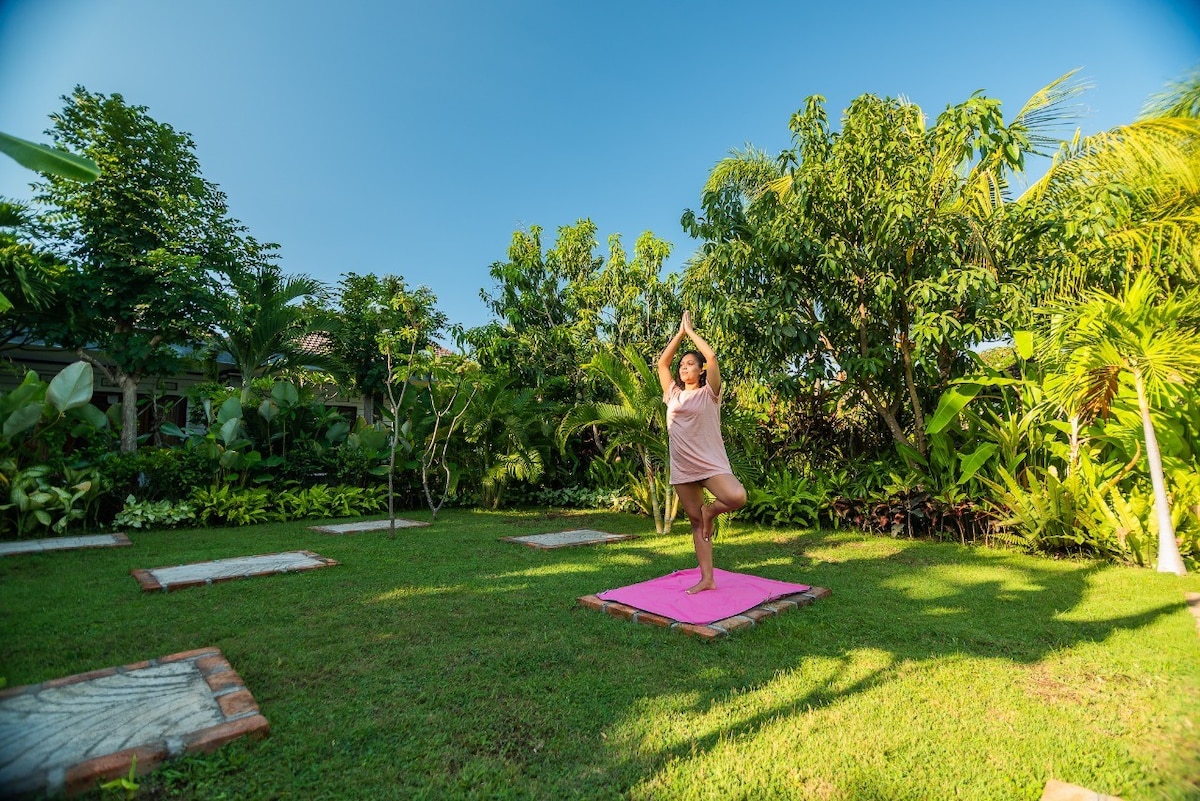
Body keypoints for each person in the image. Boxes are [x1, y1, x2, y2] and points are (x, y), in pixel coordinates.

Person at [657, 311, 747, 594]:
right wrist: (679, 335)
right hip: (683, 467)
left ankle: (712, 511)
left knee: (736, 497)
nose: (684, 368)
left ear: (701, 371)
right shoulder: (673, 393)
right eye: (682, 364)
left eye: (690, 364)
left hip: (710, 463)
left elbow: (713, 359)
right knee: (697, 523)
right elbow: (662, 363)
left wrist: (692, 332)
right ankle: (707, 578)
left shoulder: (710, 393)